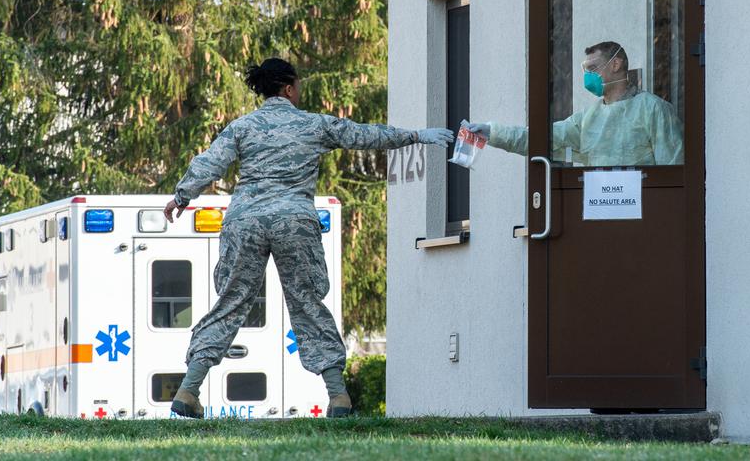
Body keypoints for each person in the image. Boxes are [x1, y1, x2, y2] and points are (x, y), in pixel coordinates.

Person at [164, 58, 454, 419]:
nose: (300, 91)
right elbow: (364, 135)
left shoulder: (242, 127)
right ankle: (338, 397)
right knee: (306, 302)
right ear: (288, 88)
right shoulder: (313, 124)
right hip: (294, 221)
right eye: (297, 86)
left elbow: (210, 162)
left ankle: (189, 389)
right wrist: (416, 136)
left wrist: (181, 196)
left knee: (232, 301)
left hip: (245, 221)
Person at [468, 42, 683, 165]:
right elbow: (544, 138)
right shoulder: (588, 118)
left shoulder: (652, 109)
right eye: (586, 70)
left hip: (646, 213)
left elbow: (674, 167)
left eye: (593, 68)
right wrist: (493, 133)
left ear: (616, 64)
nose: (588, 76)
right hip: (600, 210)